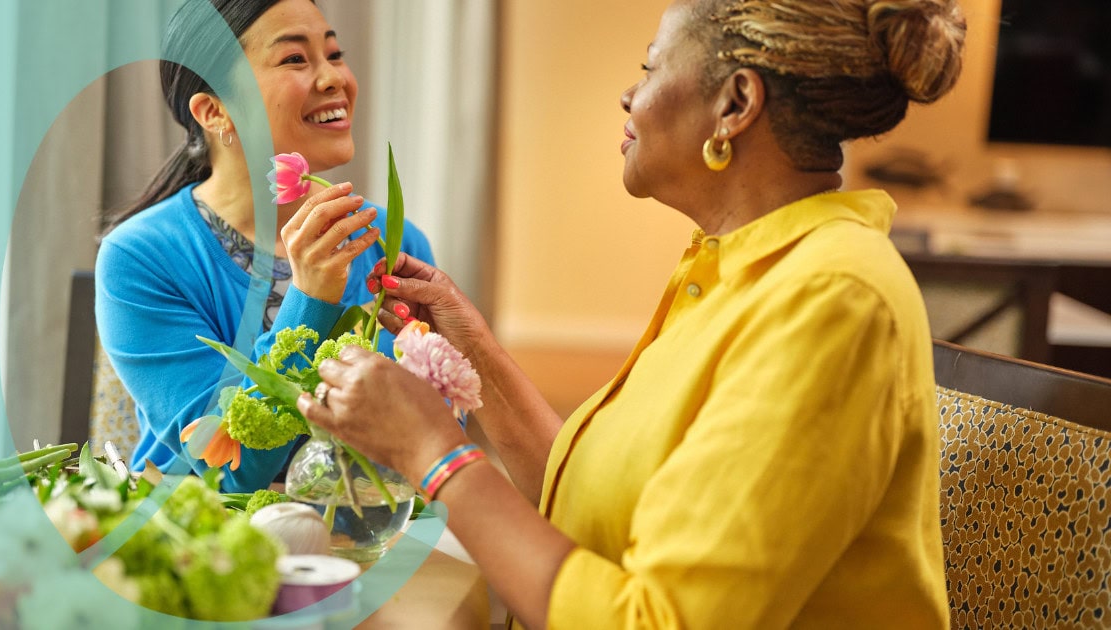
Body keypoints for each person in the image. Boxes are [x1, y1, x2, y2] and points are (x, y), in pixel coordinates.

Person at [297, 0, 966, 627]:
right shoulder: (730, 269)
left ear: (735, 103)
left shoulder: (834, 299)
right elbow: (595, 506)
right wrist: (473, 352)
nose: (629, 94)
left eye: (649, 67)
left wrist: (432, 452)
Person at [95, 0, 434, 492]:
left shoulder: (394, 240)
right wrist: (312, 297)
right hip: (207, 547)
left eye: (334, 54)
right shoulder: (140, 259)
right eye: (295, 59)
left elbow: (433, 436)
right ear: (214, 111)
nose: (333, 78)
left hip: (369, 540)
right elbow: (228, 473)